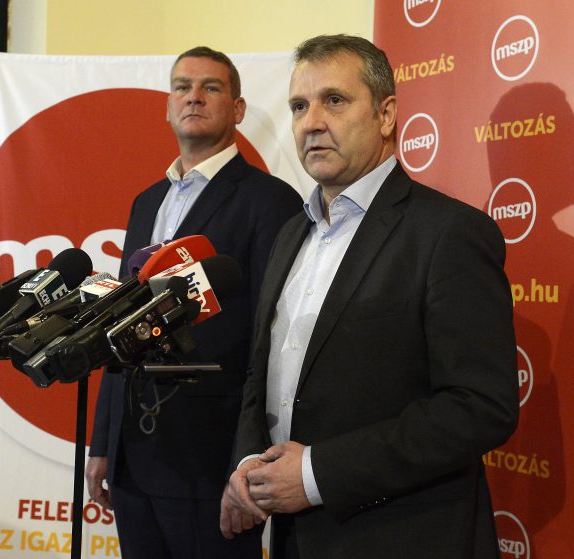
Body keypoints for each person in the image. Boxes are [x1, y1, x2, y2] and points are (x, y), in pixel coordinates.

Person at [220, 35, 519, 558]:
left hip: (404, 537)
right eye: (299, 106)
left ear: (386, 115)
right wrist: (248, 462)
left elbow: (480, 406)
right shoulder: (290, 233)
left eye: (334, 100)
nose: (311, 122)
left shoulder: (448, 233)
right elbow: (261, 371)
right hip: (293, 538)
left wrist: (315, 474)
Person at [86, 46, 303, 559]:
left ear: (238, 108)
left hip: (211, 459)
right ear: (168, 106)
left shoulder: (270, 201)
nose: (194, 97)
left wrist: (248, 459)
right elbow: (123, 326)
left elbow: (270, 340)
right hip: (134, 457)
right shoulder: (146, 202)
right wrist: (104, 443)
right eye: (182, 87)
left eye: (211, 87)